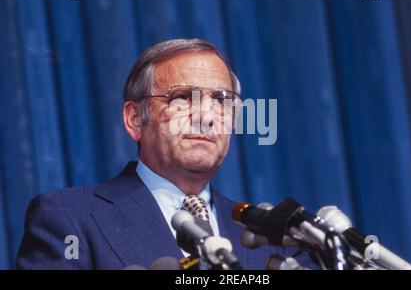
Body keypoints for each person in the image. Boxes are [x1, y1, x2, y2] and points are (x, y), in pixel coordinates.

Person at [16, 38, 316, 269]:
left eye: (221, 101)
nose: (206, 117)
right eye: (183, 98)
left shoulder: (276, 239)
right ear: (136, 120)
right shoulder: (68, 218)